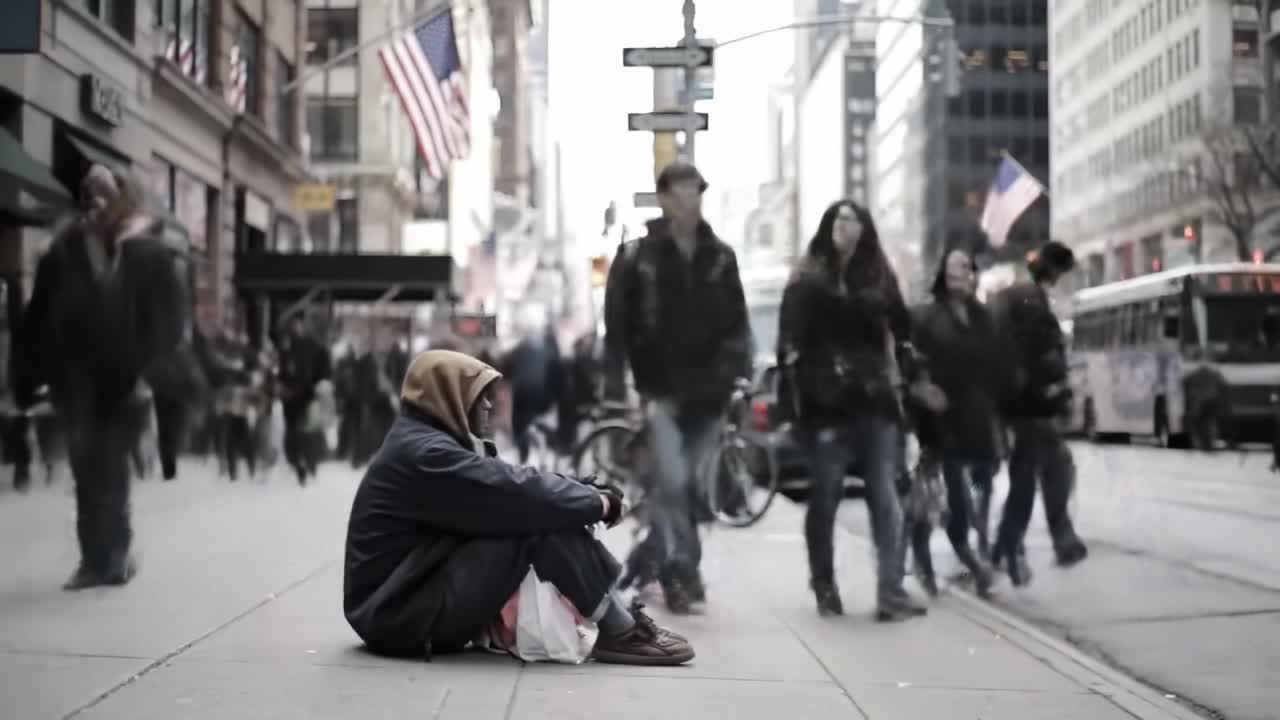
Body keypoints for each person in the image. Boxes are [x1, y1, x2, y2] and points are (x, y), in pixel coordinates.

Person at [343, 350, 694, 665]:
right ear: (447, 397)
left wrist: (577, 490)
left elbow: (507, 481)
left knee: (537, 511)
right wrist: (594, 502)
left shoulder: (422, 443)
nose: (489, 406)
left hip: (401, 604)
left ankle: (619, 620)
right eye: (479, 396)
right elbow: (514, 491)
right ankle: (619, 630)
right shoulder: (427, 454)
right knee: (536, 526)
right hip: (398, 617)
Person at [16, 164, 188, 589]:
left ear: (120, 196)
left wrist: (153, 371)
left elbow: (168, 321)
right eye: (88, 189)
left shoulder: (146, 251)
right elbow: (37, 316)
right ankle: (93, 559)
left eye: (104, 190)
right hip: (76, 380)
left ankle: (114, 555)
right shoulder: (63, 251)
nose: (95, 198)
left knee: (110, 467)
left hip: (125, 380)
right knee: (84, 467)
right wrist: (27, 375)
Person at [603, 162, 751, 613]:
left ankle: (673, 565)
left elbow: (737, 326)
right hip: (660, 391)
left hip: (710, 396)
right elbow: (617, 330)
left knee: (689, 489)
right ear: (664, 198)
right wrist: (619, 389)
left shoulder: (721, 257)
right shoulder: (637, 256)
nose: (690, 200)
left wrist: (735, 380)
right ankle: (683, 572)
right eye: (681, 192)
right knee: (672, 483)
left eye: (696, 192)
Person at [776, 199, 927, 621]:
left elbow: (902, 326)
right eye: (840, 219)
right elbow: (788, 341)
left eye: (854, 220)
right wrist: (794, 399)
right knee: (825, 497)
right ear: (829, 227)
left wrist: (910, 367)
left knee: (885, 497)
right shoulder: (808, 277)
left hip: (874, 400)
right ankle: (824, 583)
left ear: (864, 228)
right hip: (827, 405)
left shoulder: (878, 274)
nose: (847, 227)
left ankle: (890, 590)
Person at [989, 241, 1089, 586]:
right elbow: (1038, 352)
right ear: (1056, 270)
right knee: (1052, 468)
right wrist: (1052, 386)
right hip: (1029, 404)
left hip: (1020, 403)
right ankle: (1060, 539)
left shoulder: (1016, 294)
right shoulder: (1029, 299)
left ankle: (1005, 547)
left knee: (1030, 476)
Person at [910, 248, 1003, 596]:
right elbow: (913, 363)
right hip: (941, 421)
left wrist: (999, 420)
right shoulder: (927, 317)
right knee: (949, 497)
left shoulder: (982, 318)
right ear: (943, 275)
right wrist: (922, 389)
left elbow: (996, 368)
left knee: (958, 495)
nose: (962, 273)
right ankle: (964, 561)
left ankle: (968, 554)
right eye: (954, 267)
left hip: (976, 419)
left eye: (967, 267)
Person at [277, 314, 330, 484]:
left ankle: (308, 462)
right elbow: (281, 371)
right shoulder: (286, 347)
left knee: (306, 432)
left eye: (298, 324)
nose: (296, 328)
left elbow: (323, 368)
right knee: (293, 432)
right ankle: (298, 463)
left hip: (306, 396)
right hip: (290, 397)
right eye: (293, 324)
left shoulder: (313, 346)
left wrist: (319, 385)